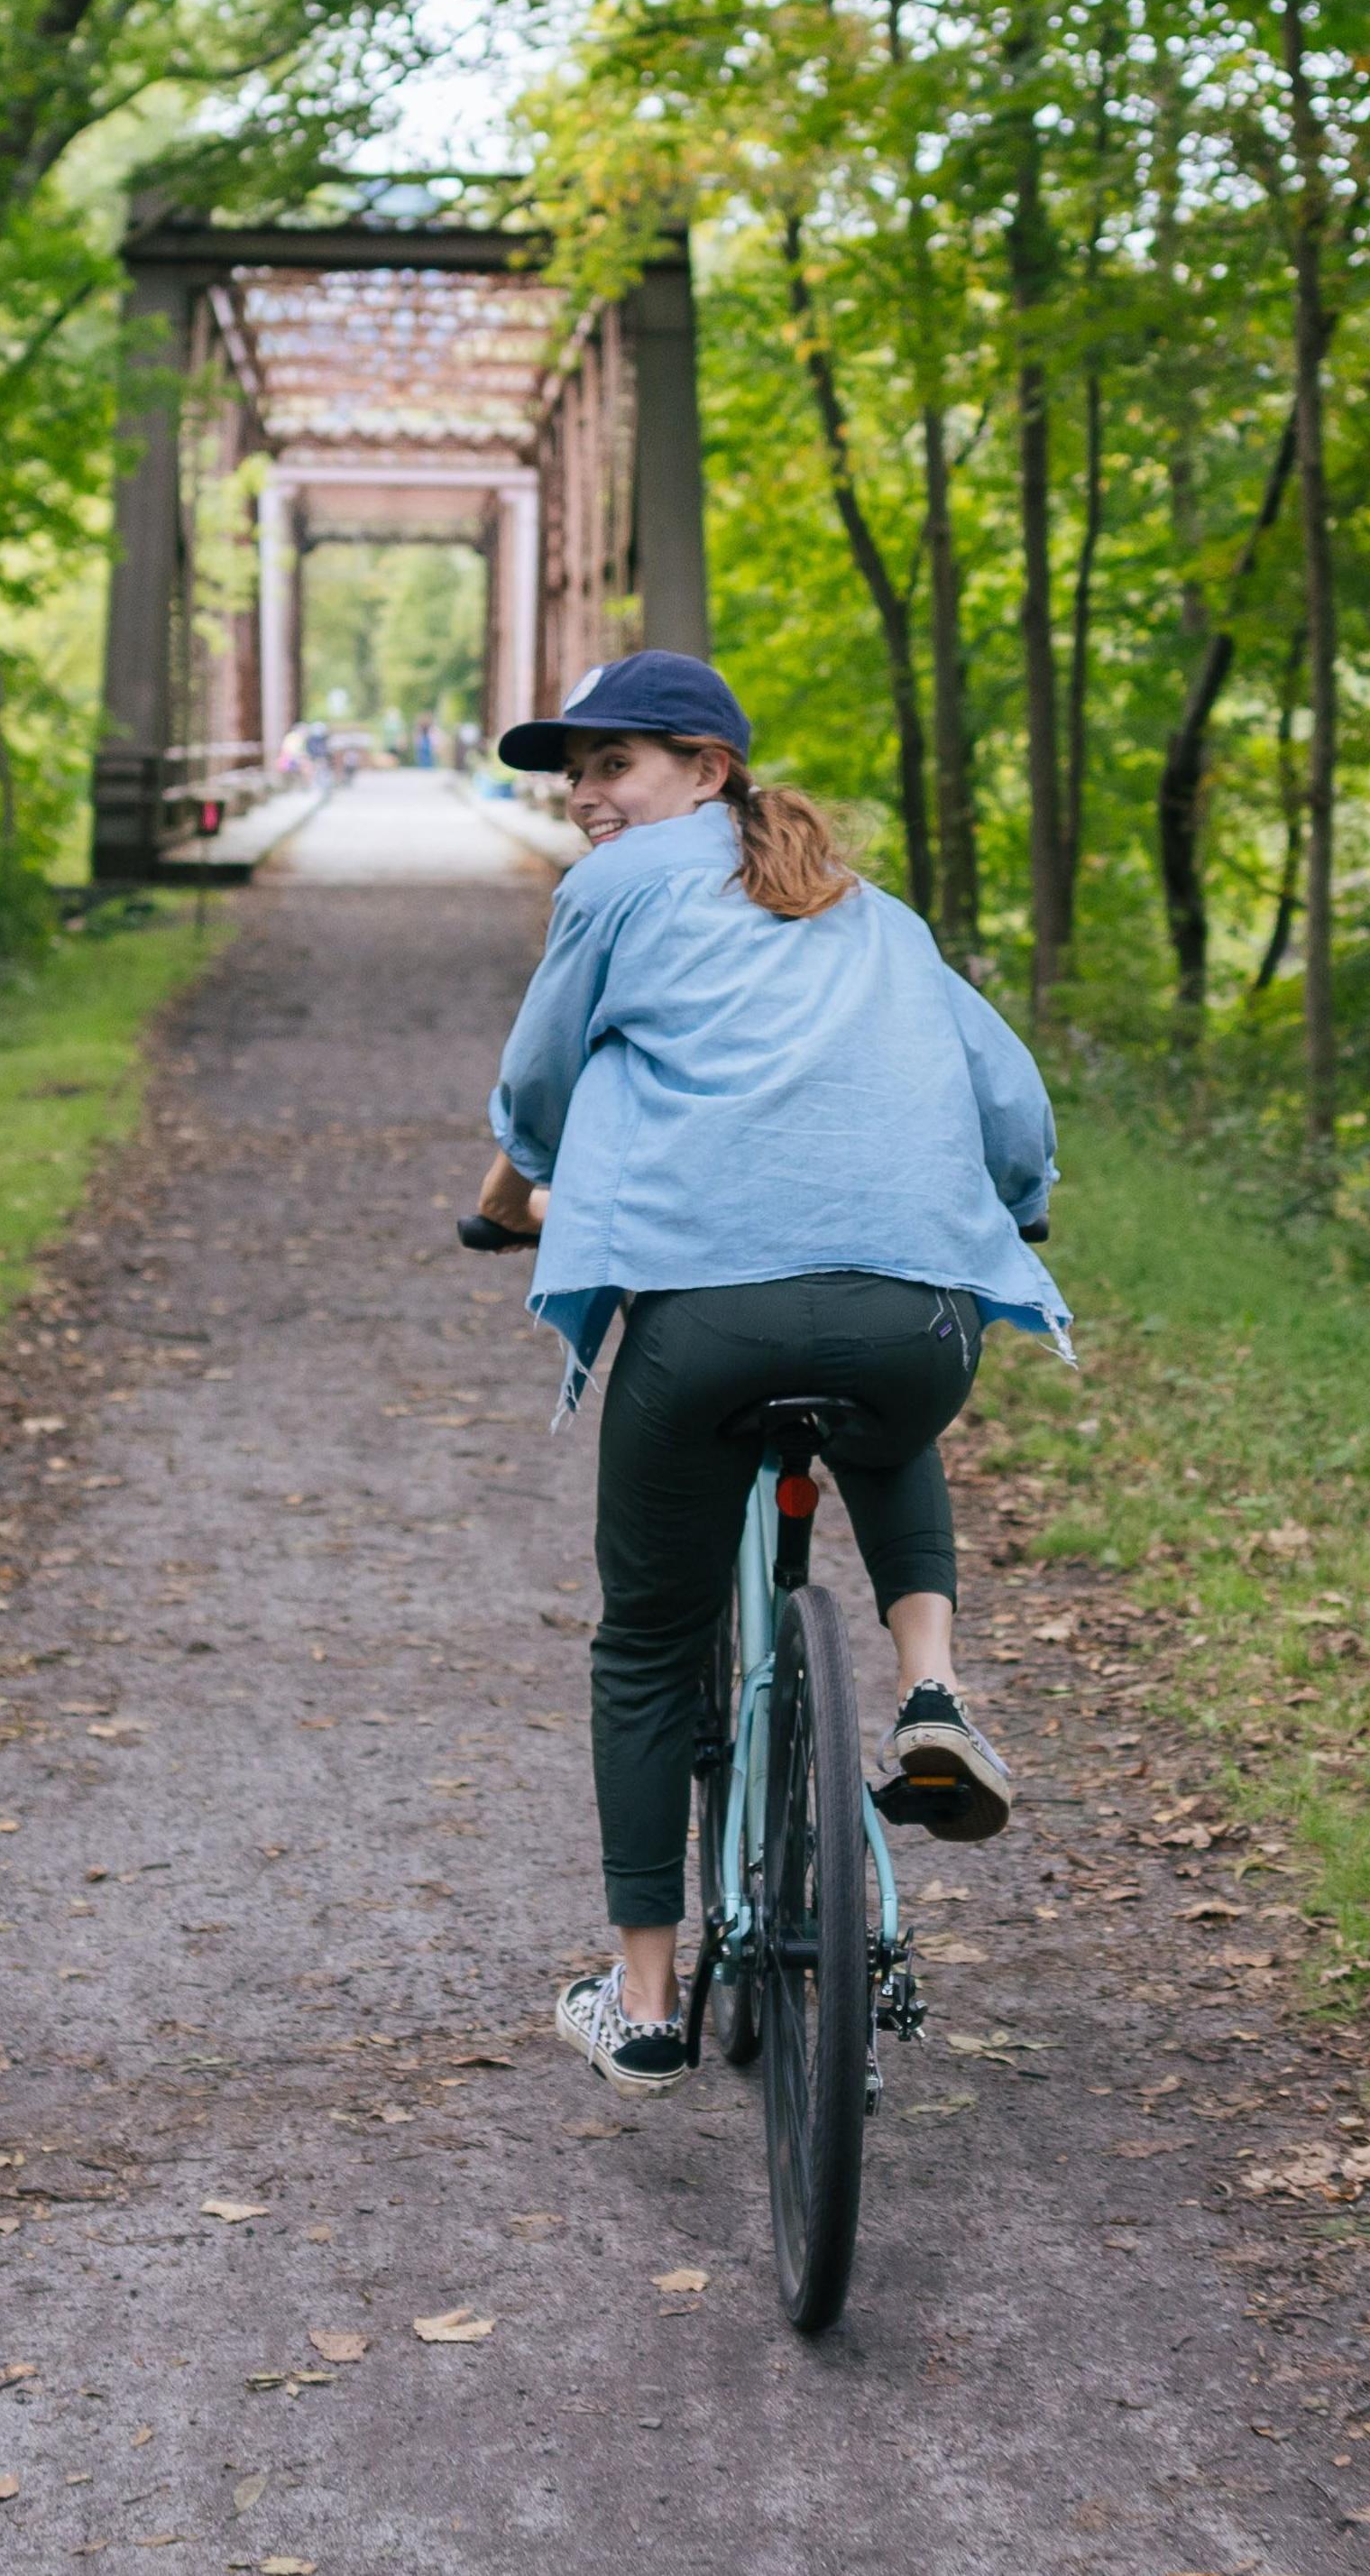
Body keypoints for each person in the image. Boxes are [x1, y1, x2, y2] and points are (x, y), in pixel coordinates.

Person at [473, 649, 1071, 2099]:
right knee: (877, 1393)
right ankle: (929, 1692)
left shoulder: (618, 889)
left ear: (707, 771)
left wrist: (512, 1191)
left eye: (616, 764)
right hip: (915, 1316)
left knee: (645, 1641)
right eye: (575, 769)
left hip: (710, 1323)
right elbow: (1010, 1104)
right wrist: (1020, 1202)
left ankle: (646, 1997)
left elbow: (541, 1086)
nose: (583, 791)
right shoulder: (884, 917)